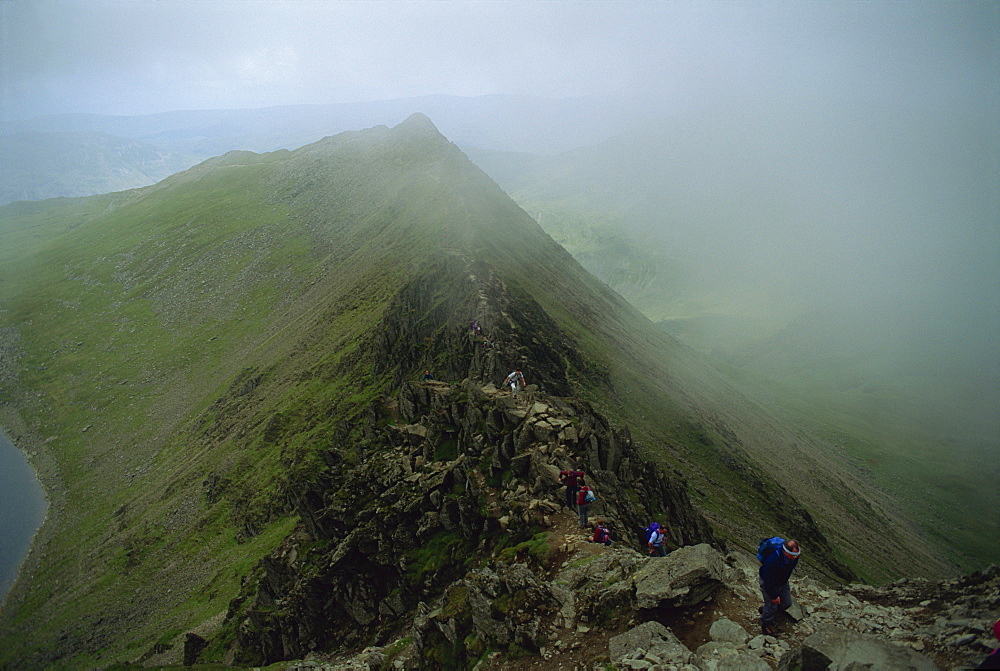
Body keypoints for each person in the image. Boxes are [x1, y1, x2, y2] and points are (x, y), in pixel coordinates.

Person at [759, 539, 800, 635]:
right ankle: (766, 624)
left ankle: (766, 612)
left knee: (787, 603)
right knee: (772, 606)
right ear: (785, 552)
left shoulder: (794, 557)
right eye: (793, 555)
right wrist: (774, 596)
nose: (795, 557)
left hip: (782, 581)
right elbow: (768, 581)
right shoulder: (773, 560)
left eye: (797, 554)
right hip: (769, 582)